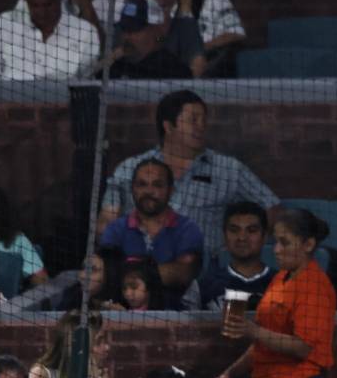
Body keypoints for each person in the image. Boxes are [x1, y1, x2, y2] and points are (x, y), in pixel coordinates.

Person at [213, 208, 335, 378]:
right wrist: (231, 373)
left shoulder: (314, 286)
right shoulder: (281, 277)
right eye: (275, 242)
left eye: (285, 242)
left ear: (308, 244)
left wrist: (252, 330)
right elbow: (263, 340)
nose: (276, 249)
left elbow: (302, 347)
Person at [97, 90, 279, 259]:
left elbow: (270, 207)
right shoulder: (130, 169)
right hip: (140, 270)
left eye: (203, 120)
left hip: (206, 272)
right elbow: (107, 219)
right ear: (169, 127)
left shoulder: (228, 169)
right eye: (193, 120)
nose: (201, 126)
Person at [98, 159, 205, 310]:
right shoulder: (115, 229)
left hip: (175, 316)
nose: (149, 191)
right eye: (142, 184)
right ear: (132, 188)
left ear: (171, 190)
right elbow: (107, 276)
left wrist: (128, 274)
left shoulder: (188, 229)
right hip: (123, 316)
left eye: (157, 185)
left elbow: (183, 273)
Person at [193, 201, 276, 311]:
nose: (242, 237)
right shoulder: (204, 286)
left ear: (264, 236)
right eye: (234, 230)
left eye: (251, 230)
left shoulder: (282, 283)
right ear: (224, 236)